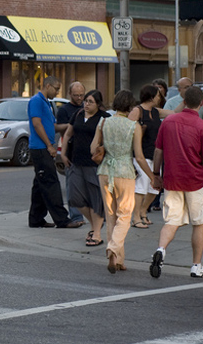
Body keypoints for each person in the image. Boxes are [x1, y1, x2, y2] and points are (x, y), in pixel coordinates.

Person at [149, 86, 203, 279]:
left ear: (184, 101)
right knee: (199, 223)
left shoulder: (169, 122)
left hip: (172, 180)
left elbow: (158, 151)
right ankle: (196, 265)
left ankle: (161, 249)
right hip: (196, 181)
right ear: (201, 103)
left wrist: (156, 174)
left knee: (171, 220)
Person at [93, 90, 154, 274]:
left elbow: (92, 148)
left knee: (111, 215)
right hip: (124, 171)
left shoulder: (103, 122)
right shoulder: (133, 126)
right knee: (125, 215)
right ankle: (113, 247)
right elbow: (140, 157)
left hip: (104, 170)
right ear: (130, 107)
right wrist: (153, 177)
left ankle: (118, 259)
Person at [60, 90, 110, 247]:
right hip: (76, 162)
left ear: (98, 104)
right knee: (75, 198)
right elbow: (68, 133)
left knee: (96, 200)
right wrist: (63, 153)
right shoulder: (78, 114)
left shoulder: (104, 118)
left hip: (94, 165)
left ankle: (96, 233)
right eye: (85, 101)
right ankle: (96, 226)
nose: (86, 104)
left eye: (90, 102)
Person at [27, 76, 78, 228]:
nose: (57, 92)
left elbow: (52, 126)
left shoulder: (47, 103)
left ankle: (35, 219)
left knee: (40, 184)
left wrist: (68, 126)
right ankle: (62, 220)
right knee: (51, 183)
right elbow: (36, 124)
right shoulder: (36, 101)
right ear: (47, 85)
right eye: (56, 89)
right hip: (40, 148)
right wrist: (49, 145)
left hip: (44, 147)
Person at [127, 85, 172, 228]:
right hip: (141, 154)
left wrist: (185, 100)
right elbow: (128, 133)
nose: (160, 98)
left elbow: (174, 113)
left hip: (155, 155)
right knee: (141, 186)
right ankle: (135, 218)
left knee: (155, 187)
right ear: (152, 96)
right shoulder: (137, 111)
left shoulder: (155, 111)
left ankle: (142, 211)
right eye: (158, 95)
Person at [56, 81, 88, 226]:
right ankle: (76, 216)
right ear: (70, 94)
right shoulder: (64, 110)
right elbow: (59, 128)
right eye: (76, 95)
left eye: (82, 95)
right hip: (71, 151)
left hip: (87, 152)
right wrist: (73, 125)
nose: (79, 98)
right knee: (73, 186)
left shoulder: (87, 107)